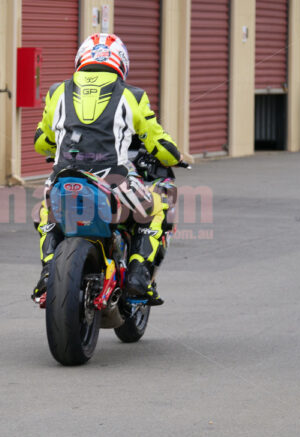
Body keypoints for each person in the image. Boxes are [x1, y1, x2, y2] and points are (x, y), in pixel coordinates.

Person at [31, 33, 187, 306]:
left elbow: (42, 141)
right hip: (113, 177)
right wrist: (175, 156)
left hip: (63, 175)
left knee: (47, 215)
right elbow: (158, 142)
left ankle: (48, 272)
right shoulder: (133, 95)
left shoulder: (57, 92)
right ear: (122, 62)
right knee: (154, 210)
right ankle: (138, 277)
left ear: (81, 59)